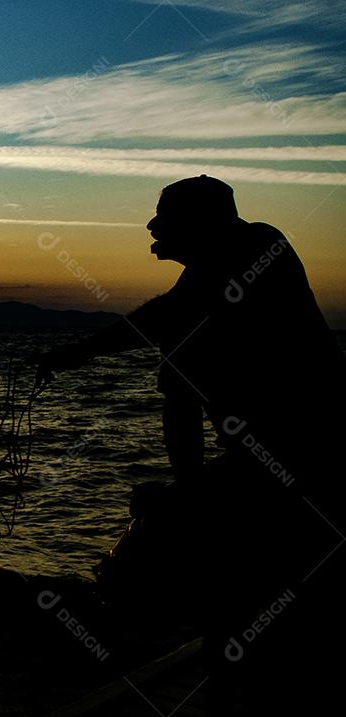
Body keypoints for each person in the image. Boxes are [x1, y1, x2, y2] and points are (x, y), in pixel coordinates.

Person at [37, 175, 345, 712]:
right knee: (225, 579)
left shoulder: (255, 248)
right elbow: (176, 387)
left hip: (317, 457)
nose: (152, 226)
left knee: (229, 581)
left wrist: (77, 354)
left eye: (165, 216)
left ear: (205, 223)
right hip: (268, 461)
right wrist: (190, 489)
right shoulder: (209, 284)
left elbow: (165, 323)